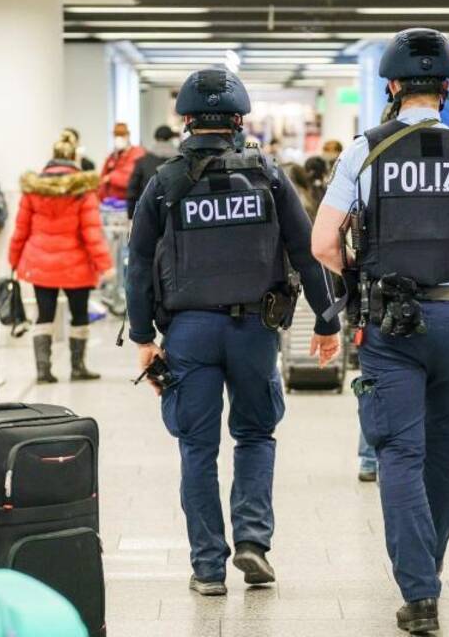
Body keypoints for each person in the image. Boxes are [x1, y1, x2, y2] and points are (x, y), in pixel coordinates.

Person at [312, 28, 449, 633]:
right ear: (448, 88)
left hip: (390, 323)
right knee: (445, 447)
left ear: (392, 85)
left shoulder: (365, 150)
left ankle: (420, 590)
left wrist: (360, 272)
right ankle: (428, 569)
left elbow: (322, 242)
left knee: (399, 452)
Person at [127, 68, 341, 598]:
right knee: (255, 434)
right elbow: (305, 248)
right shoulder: (268, 176)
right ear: (239, 121)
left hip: (189, 331)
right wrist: (326, 318)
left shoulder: (165, 183)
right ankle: (253, 541)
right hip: (254, 328)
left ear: (186, 121)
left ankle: (207, 567)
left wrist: (142, 336)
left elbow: (136, 263)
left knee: (196, 449)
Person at [8, 133, 113, 384]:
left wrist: (13, 260)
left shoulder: (33, 190)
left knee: (44, 315)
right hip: (75, 265)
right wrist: (105, 265)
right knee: (79, 315)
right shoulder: (83, 191)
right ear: (74, 158)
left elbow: (21, 230)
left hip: (41, 263)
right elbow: (91, 233)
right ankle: (78, 367)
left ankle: (43, 371)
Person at [126, 124, 178, 219]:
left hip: (147, 214)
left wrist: (131, 215)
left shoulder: (143, 161)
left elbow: (132, 190)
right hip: (174, 215)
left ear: (155, 139)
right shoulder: (182, 161)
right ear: (172, 139)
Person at [99, 122, 145, 204]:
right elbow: (102, 178)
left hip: (129, 201)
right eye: (116, 135)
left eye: (122, 135)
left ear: (128, 136)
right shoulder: (112, 156)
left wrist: (110, 177)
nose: (118, 138)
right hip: (111, 202)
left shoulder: (138, 153)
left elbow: (130, 178)